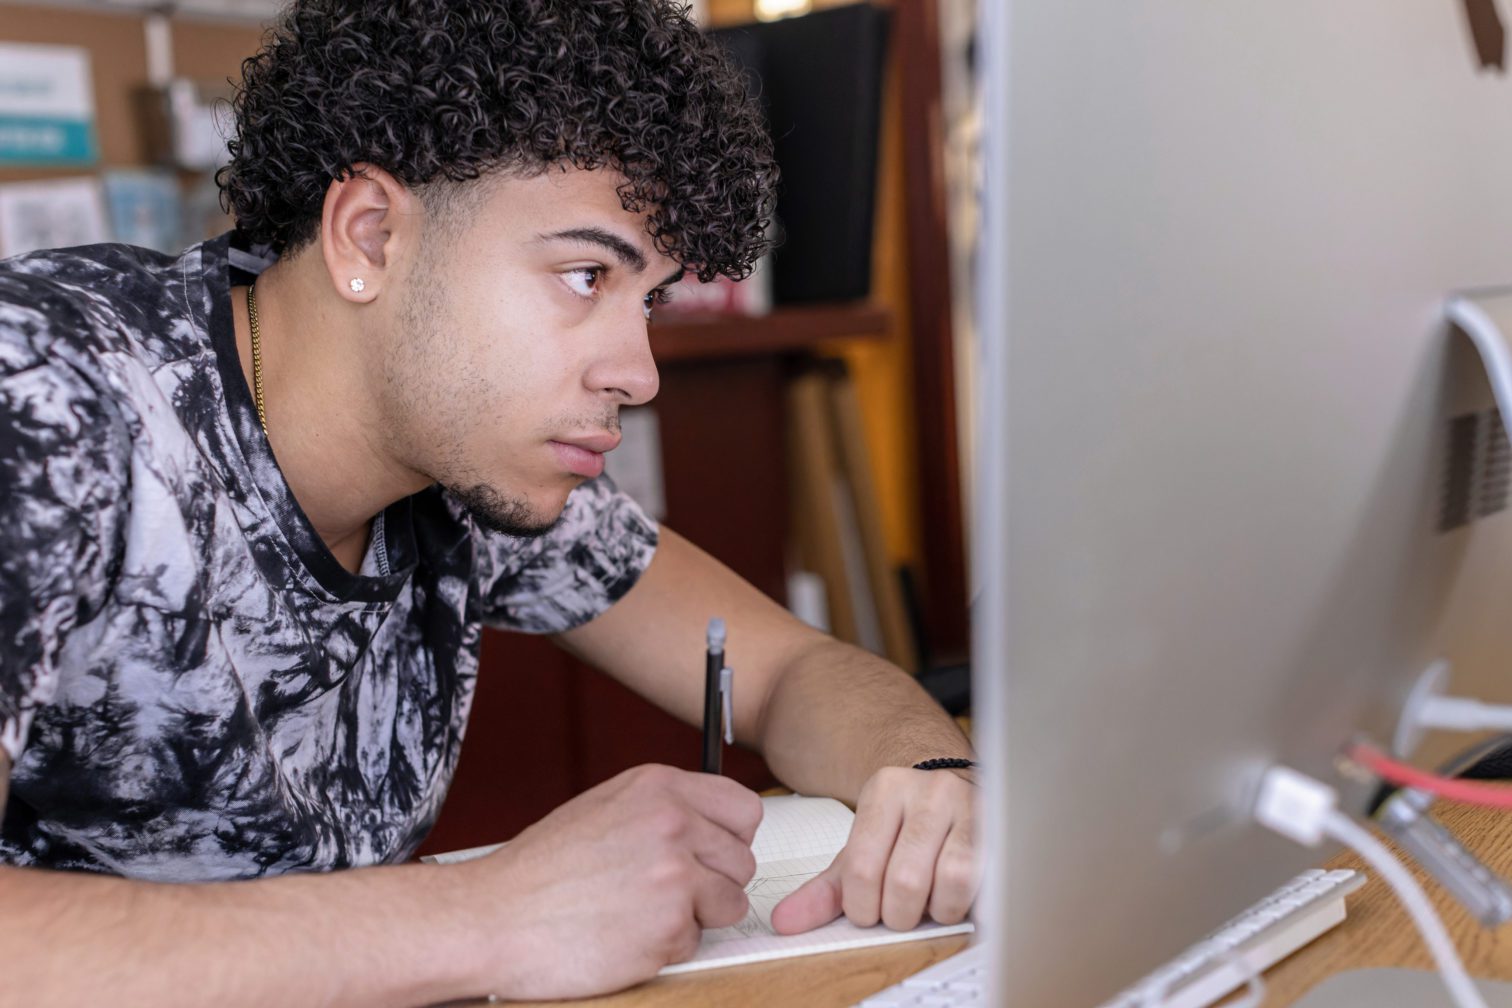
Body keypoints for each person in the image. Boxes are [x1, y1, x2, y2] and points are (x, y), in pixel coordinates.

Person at [0, 1, 979, 1003]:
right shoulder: (45, 400)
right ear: (371, 235)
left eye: (646, 300)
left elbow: (789, 670)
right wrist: (492, 916)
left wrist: (928, 782)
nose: (639, 374)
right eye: (584, 274)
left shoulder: (463, 459)